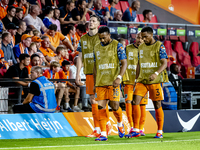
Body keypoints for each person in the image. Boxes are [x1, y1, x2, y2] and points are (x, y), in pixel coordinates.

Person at [76, 15, 112, 138]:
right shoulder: (83, 38)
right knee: (93, 101)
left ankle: (105, 124)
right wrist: (77, 74)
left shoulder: (101, 37)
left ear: (98, 24)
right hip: (89, 72)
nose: (90, 22)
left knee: (100, 100)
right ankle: (97, 129)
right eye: (89, 20)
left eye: (93, 21)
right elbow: (80, 57)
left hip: (101, 73)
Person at [131, 26, 168, 138]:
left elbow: (164, 63)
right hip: (142, 80)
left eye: (145, 37)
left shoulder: (159, 46)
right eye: (142, 37)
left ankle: (160, 131)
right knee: (134, 102)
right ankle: (136, 129)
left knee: (157, 104)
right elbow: (138, 64)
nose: (143, 39)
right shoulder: (141, 47)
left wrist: (156, 74)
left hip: (155, 80)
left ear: (151, 35)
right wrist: (136, 79)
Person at [93, 26, 127, 141]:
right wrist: (94, 82)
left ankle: (120, 123)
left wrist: (119, 77)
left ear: (109, 35)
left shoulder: (118, 45)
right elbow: (95, 66)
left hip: (113, 82)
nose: (102, 40)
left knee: (114, 106)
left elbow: (124, 63)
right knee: (100, 107)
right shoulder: (96, 48)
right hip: (100, 83)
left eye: (103, 38)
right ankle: (103, 134)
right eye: (100, 38)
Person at [123, 32, 148, 137]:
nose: (140, 40)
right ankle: (132, 127)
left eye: (142, 38)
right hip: (129, 81)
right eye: (138, 37)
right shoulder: (128, 48)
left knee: (142, 105)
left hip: (142, 82)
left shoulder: (147, 50)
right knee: (128, 103)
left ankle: (141, 128)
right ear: (135, 38)